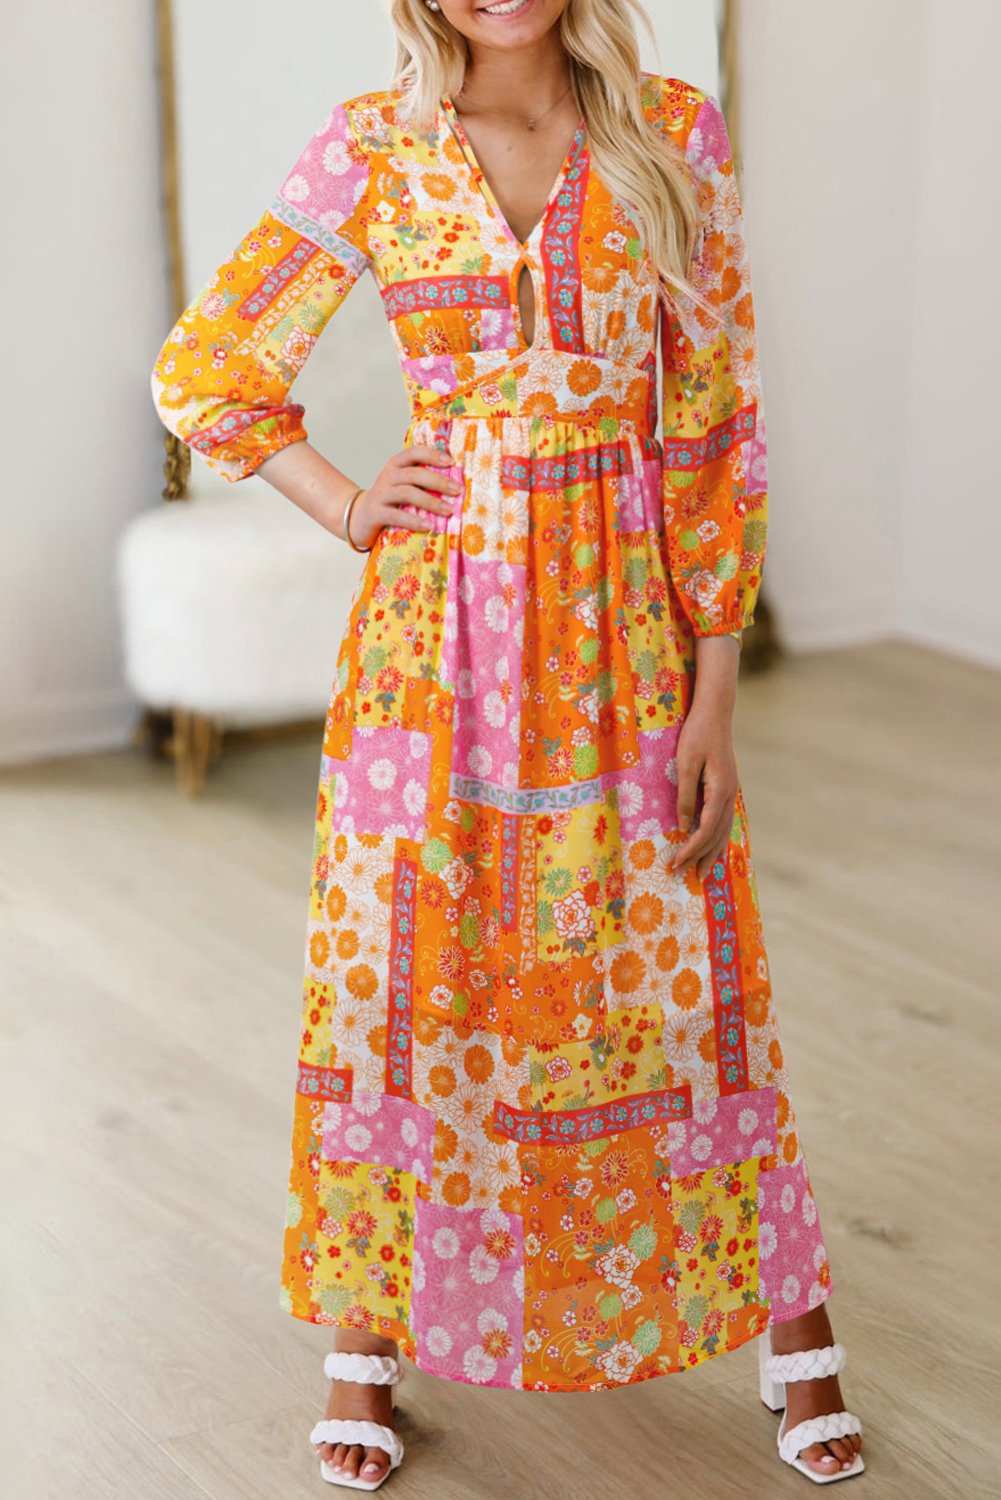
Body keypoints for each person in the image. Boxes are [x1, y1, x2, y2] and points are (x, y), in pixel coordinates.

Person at [151, 0, 865, 1490]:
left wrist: (715, 689)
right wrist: (349, 504)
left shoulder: (671, 134)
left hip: (626, 638)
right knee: (401, 981)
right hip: (435, 651)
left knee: (683, 978)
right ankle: (364, 1343)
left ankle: (788, 1323)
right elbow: (210, 364)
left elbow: (712, 425)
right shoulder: (375, 148)